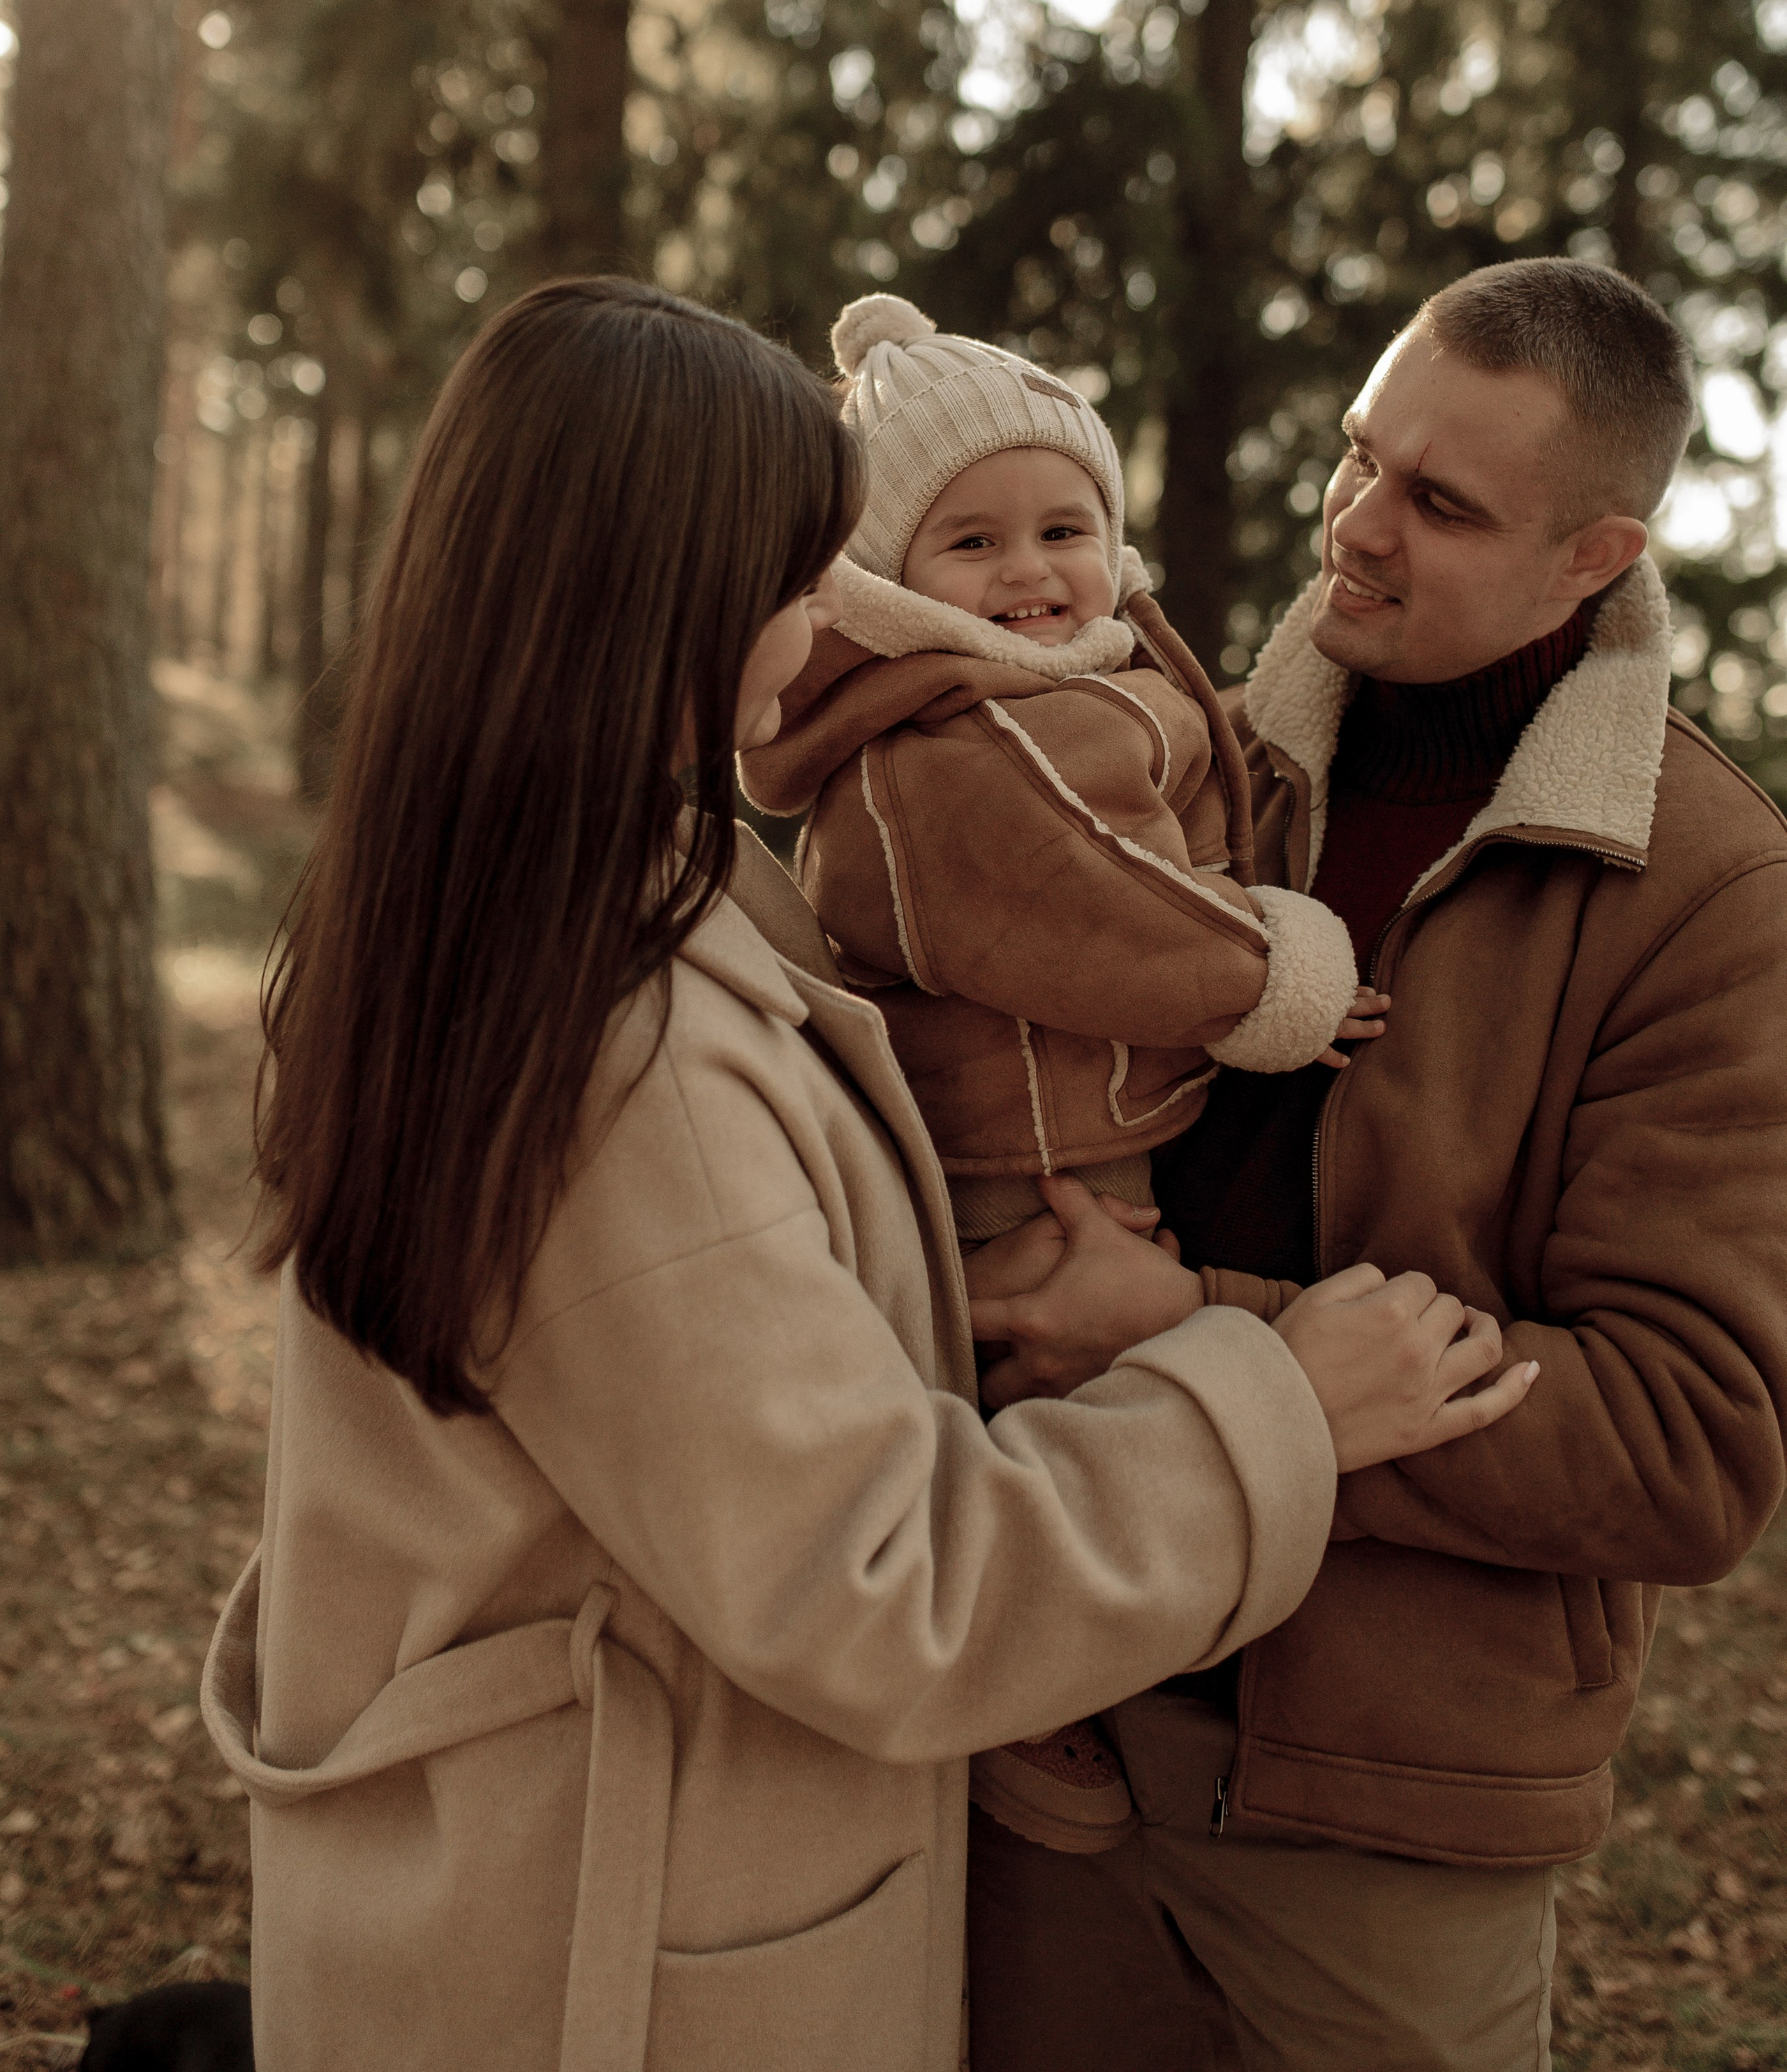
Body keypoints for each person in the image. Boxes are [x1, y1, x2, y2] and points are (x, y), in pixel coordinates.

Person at [200, 277, 1531, 2072]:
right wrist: (1276, 1400)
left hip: (512, 1903)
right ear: (668, 597)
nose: (831, 610)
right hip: (629, 1973)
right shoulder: (617, 1054)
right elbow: (884, 1579)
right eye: (796, 566)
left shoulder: (462, 918)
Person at [965, 258, 1787, 2072]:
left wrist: (1200, 1335)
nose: (1355, 525)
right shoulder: (1183, 767)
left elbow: (1687, 1437)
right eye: (1359, 459)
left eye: (1439, 503)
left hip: (1388, 1828)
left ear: (1596, 557)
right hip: (1054, 1717)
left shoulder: (1710, 894)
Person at [743, 290, 1385, 1856]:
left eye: (1062, 526)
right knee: (1039, 1383)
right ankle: (1023, 1700)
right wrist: (1270, 974)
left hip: (1084, 1119)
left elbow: (1172, 797)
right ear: (885, 579)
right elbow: (1086, 911)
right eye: (970, 544)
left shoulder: (1053, 684)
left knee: (1078, 1367)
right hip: (1008, 1147)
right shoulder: (946, 749)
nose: (1029, 572)